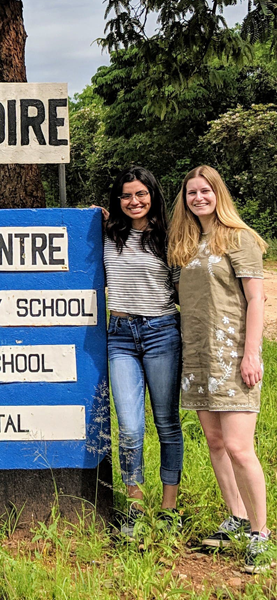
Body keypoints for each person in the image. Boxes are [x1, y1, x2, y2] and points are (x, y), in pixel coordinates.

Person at [168, 165, 269, 573]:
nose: (198, 198)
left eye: (204, 191)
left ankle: (261, 537)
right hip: (197, 355)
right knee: (213, 441)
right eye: (191, 192)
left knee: (240, 448)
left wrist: (252, 354)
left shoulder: (239, 238)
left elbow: (256, 300)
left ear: (217, 194)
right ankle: (237, 517)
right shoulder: (186, 243)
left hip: (232, 354)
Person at [101, 166, 183, 538]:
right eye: (126, 195)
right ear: (117, 200)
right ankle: (134, 507)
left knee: (166, 424)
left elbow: (186, 291)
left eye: (141, 194)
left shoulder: (170, 238)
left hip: (161, 332)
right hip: (119, 335)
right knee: (130, 427)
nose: (134, 202)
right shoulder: (106, 234)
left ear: (153, 195)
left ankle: (169, 509)